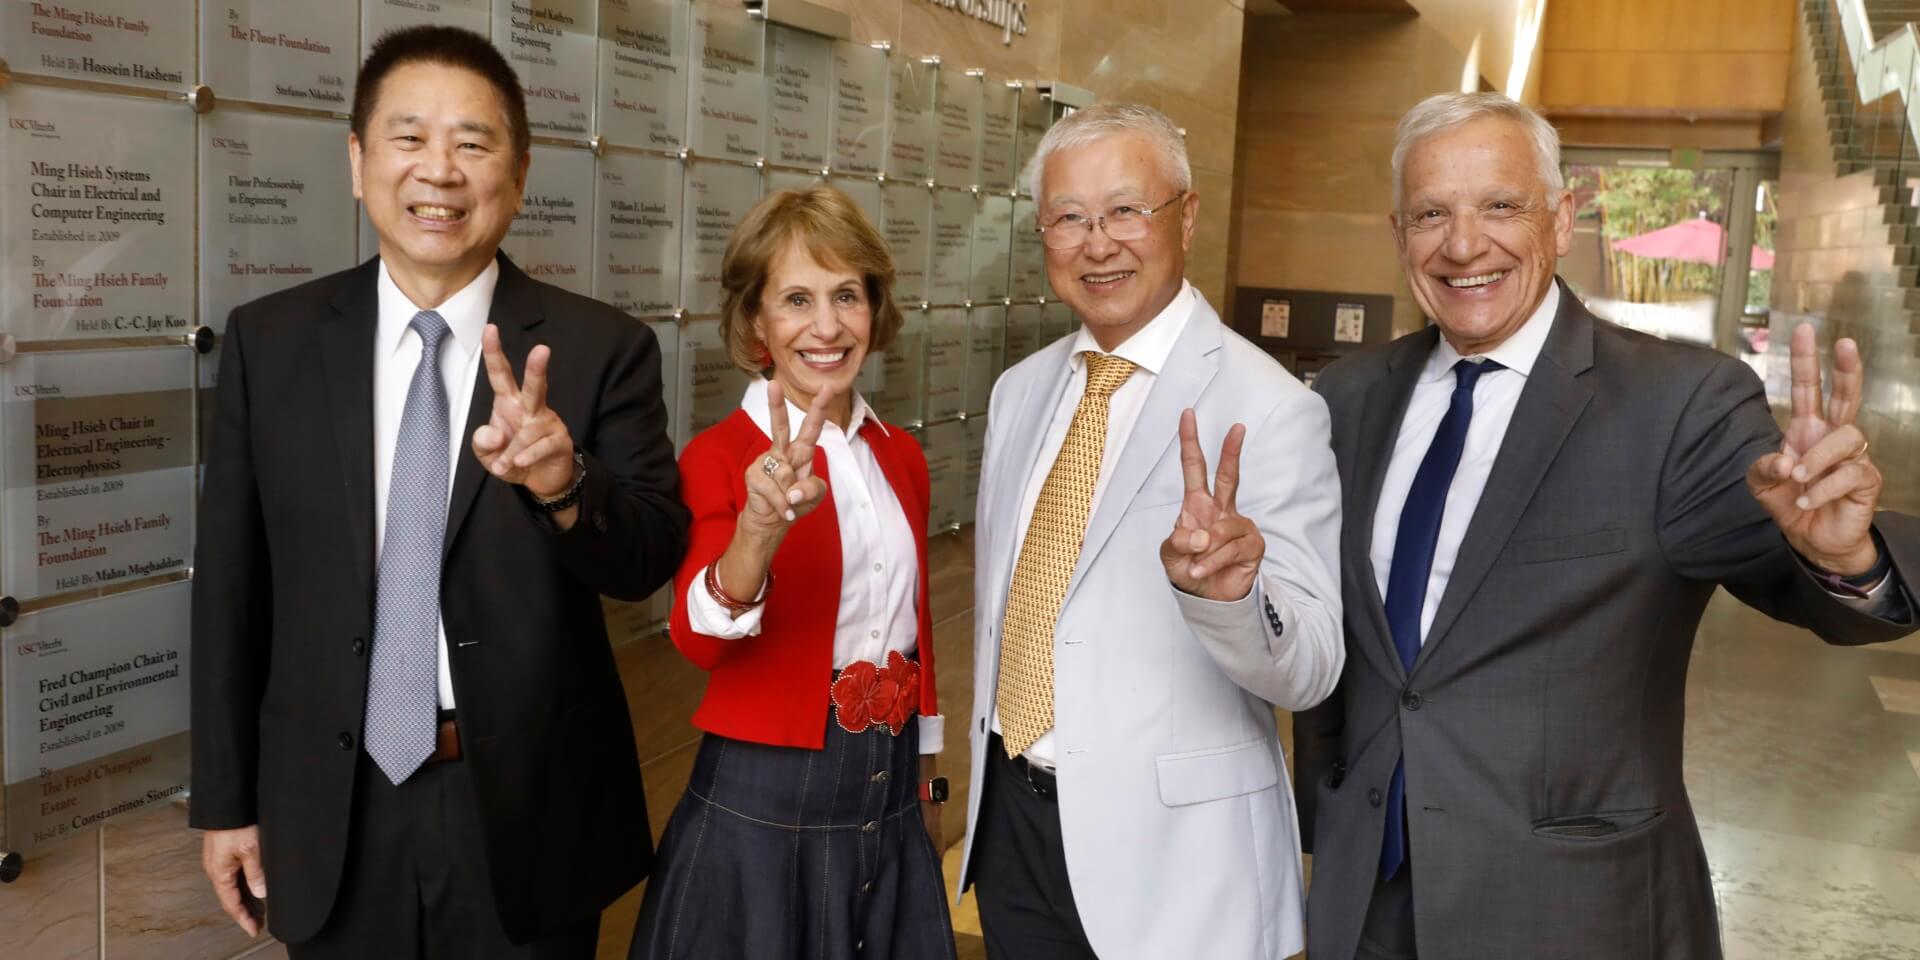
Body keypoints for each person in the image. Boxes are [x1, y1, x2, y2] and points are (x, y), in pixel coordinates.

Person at [1294, 91, 1920, 960]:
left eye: (1501, 207)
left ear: (1561, 217)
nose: (1464, 244)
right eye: (1432, 213)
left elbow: (1800, 579)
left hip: (1572, 910)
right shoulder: (1348, 398)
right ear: (1399, 235)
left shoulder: (1678, 403)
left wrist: (1844, 555)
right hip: (1371, 900)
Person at [190, 25, 688, 958]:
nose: (440, 171)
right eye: (409, 138)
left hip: (526, 812)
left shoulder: (597, 348)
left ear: (520, 169)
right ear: (357, 160)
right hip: (330, 805)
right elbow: (229, 586)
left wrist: (563, 483)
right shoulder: (272, 342)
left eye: (473, 142)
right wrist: (225, 801)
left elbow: (650, 555)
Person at [955, 103, 1345, 959]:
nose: (1099, 243)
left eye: (1128, 210)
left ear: (1188, 217)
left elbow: (1313, 666)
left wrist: (1235, 597)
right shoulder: (1021, 392)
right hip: (1015, 833)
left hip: (1179, 868)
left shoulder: (1273, 405)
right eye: (1069, 217)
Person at [628, 186, 957, 960]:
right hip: (763, 801)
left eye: (848, 295)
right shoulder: (718, 457)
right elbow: (699, 640)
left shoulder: (900, 454)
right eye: (797, 299)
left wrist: (929, 782)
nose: (827, 326)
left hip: (890, 783)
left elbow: (917, 636)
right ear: (756, 324)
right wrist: (759, 529)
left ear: (875, 311)